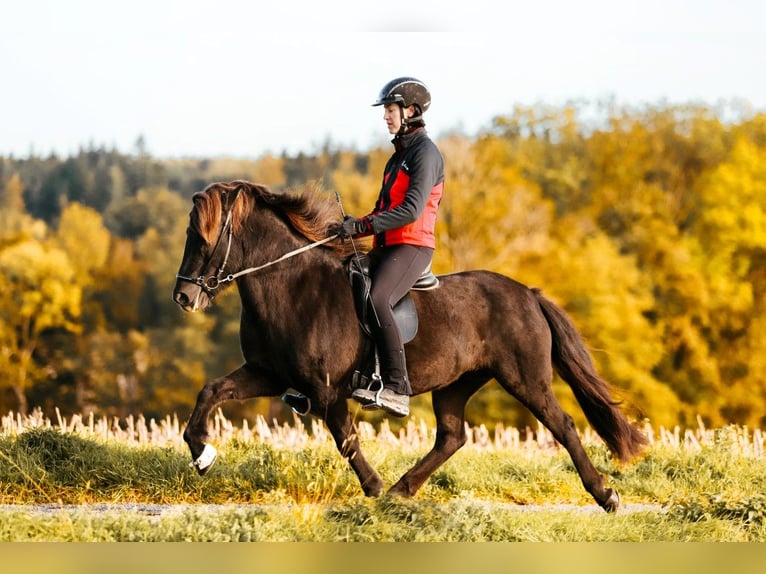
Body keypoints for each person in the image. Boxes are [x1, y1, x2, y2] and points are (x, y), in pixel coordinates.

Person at [334, 77, 445, 418]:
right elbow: (385, 209)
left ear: (411, 111)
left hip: (412, 247)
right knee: (345, 283)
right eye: (386, 110)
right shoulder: (397, 156)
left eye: (390, 110)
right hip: (388, 245)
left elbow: (411, 210)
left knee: (378, 297)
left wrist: (363, 227)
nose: (386, 117)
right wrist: (355, 223)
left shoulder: (425, 154)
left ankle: (398, 387)